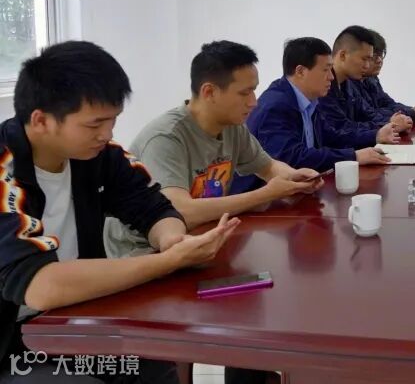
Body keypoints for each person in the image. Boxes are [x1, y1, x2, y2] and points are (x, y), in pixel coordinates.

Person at [0, 41, 238, 382]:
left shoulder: (98, 155)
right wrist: (167, 261)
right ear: (41, 121)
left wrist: (172, 240)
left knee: (153, 365)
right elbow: (41, 285)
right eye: (94, 124)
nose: (107, 134)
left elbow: (153, 206)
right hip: (12, 347)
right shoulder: (4, 171)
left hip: (73, 317)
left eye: (113, 121)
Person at [103, 41, 322, 259]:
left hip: (203, 236)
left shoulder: (232, 126)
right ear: (209, 92)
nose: (253, 102)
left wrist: (294, 178)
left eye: (254, 91)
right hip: (144, 251)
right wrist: (264, 195)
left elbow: (268, 166)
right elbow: (181, 211)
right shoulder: (166, 138)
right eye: (245, 93)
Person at [246, 37, 394, 171]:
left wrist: (375, 136)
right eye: (325, 70)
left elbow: (332, 137)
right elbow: (292, 158)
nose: (331, 77)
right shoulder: (275, 106)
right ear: (300, 71)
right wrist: (353, 156)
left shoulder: (309, 99)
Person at [318, 26, 412, 137]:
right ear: (343, 55)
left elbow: (368, 115)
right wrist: (388, 127)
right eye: (364, 59)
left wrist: (393, 122)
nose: (367, 66)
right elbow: (341, 129)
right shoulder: (323, 85)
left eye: (369, 59)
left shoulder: (348, 84)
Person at [364, 30, 415, 123]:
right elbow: (369, 116)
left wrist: (413, 110)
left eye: (381, 54)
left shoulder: (371, 79)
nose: (379, 60)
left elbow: (388, 103)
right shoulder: (352, 83)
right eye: (374, 55)